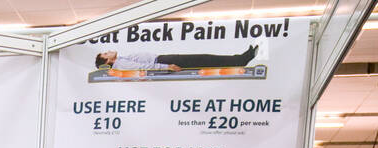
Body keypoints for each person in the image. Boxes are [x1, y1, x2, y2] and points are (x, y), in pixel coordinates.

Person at [95, 45, 258, 72]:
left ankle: (238, 59)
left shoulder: (122, 59)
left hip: (163, 59)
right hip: (163, 62)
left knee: (203, 58)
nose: (108, 51)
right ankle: (239, 60)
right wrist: (167, 67)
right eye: (106, 54)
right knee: (203, 59)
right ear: (107, 61)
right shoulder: (122, 63)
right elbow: (144, 68)